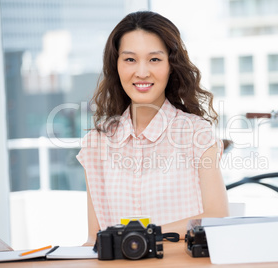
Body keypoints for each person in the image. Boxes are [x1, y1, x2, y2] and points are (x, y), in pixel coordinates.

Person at [77, 11, 229, 246]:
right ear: (116, 66)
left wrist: (142, 233)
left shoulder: (197, 134)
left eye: (154, 59)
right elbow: (93, 239)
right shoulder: (96, 142)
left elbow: (216, 218)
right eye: (130, 59)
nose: (142, 72)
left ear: (171, 65)